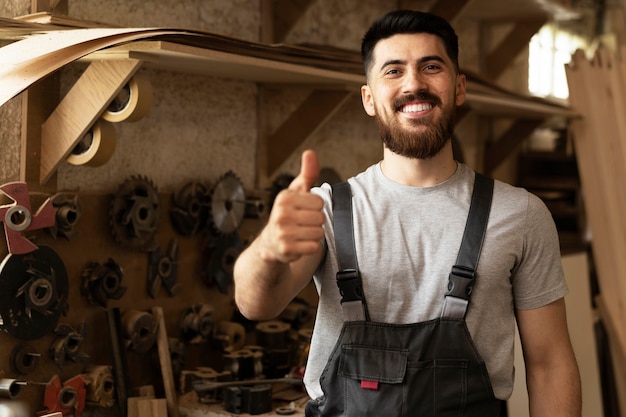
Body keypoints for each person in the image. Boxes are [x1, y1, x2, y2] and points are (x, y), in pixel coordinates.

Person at [234, 9, 581, 417]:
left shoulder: (519, 213)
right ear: (368, 97)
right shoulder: (328, 210)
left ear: (459, 87)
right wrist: (269, 250)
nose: (414, 84)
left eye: (431, 67)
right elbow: (254, 305)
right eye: (393, 71)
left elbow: (550, 364)